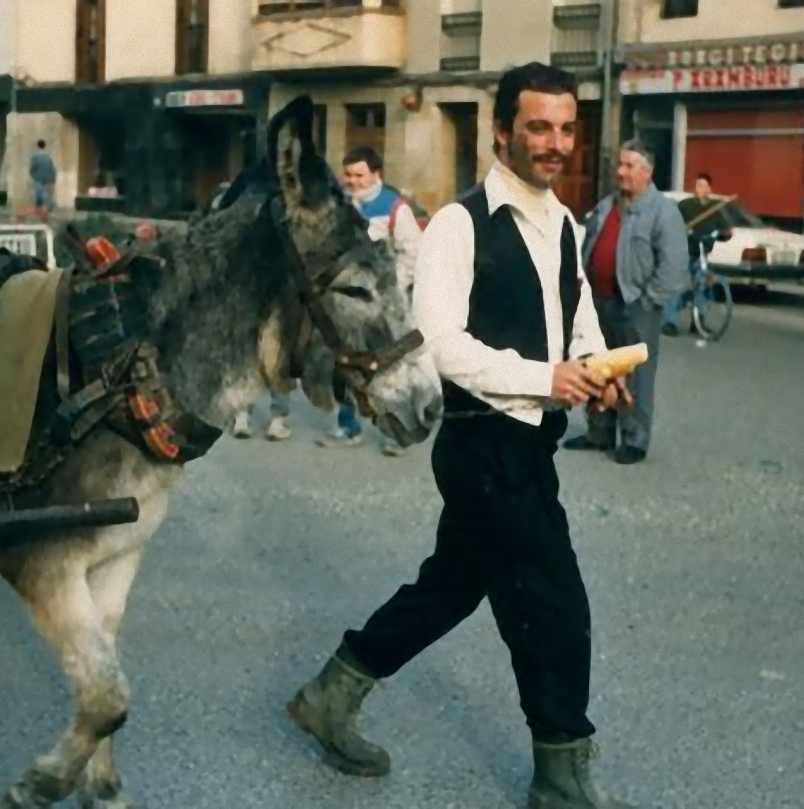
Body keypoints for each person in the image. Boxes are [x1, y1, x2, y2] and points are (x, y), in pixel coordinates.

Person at [286, 62, 641, 809]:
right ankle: (561, 776)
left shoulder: (566, 223)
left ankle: (330, 692)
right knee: (554, 605)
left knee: (450, 586)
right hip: (483, 446)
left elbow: (575, 322)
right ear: (502, 130)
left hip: (532, 443)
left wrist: (597, 368)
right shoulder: (459, 222)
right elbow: (438, 342)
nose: (554, 143)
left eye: (566, 128)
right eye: (538, 127)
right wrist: (547, 378)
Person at [568, 140, 689, 464]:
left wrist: (649, 301)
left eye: (629, 166)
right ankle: (599, 432)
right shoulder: (608, 204)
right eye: (619, 165)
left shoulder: (664, 211)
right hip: (598, 301)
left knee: (634, 374)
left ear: (646, 173)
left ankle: (634, 439)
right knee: (597, 369)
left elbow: (674, 266)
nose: (620, 172)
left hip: (635, 305)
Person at [319, 145, 422, 456]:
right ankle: (349, 427)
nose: (353, 181)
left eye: (359, 175)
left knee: (388, 369)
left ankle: (396, 431)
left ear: (376, 174)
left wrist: (391, 289)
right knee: (344, 365)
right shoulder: (337, 204)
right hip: (345, 303)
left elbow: (412, 252)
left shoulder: (394, 207)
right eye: (348, 174)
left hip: (383, 304)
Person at [665, 172, 729, 337]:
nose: (699, 189)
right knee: (678, 286)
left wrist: (723, 234)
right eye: (698, 185)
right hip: (684, 250)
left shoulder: (714, 209)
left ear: (709, 189)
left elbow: (725, 230)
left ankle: (698, 321)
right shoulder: (686, 206)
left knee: (703, 286)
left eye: (703, 185)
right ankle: (669, 322)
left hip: (702, 253)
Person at [29, 139, 57, 217]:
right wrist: (53, 178)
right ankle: (49, 208)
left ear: (37, 146)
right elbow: (52, 168)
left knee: (39, 193)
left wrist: (32, 175)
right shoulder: (48, 157)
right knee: (48, 194)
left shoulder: (35, 157)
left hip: (38, 177)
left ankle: (39, 209)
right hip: (48, 177)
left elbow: (32, 168)